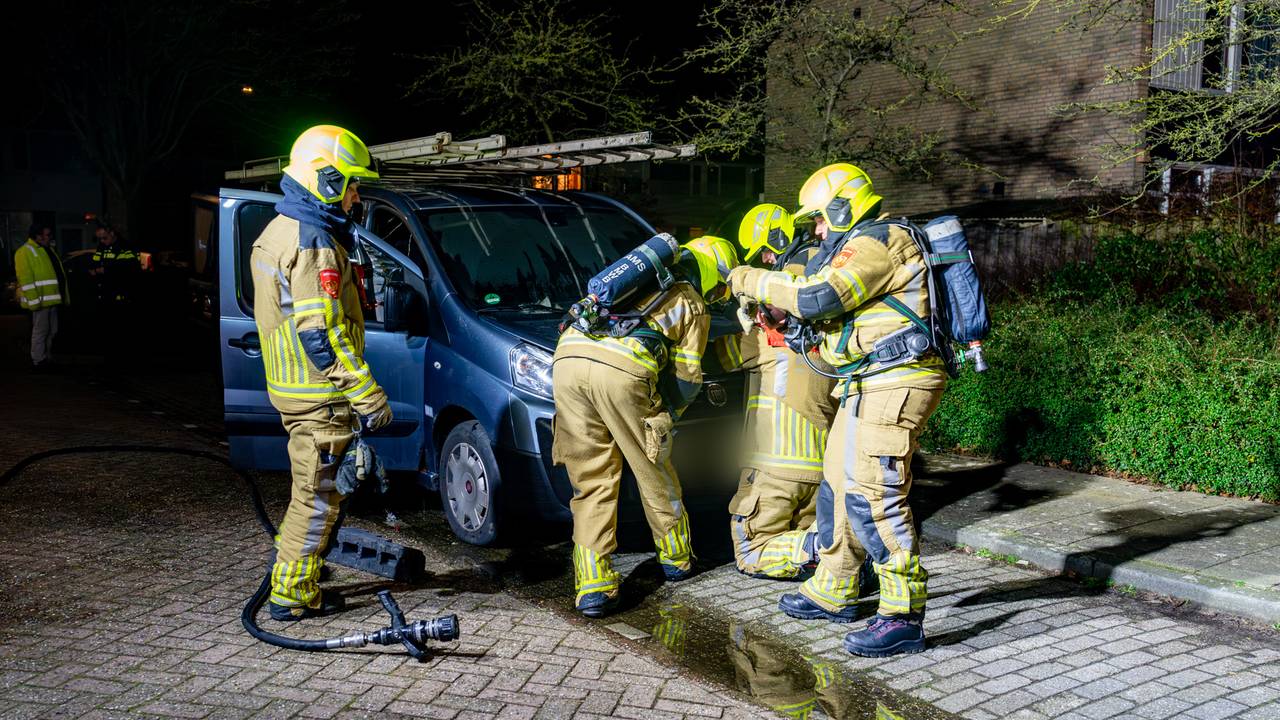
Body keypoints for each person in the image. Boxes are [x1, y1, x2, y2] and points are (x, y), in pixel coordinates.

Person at [726, 163, 947, 657]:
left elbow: (819, 295)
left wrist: (750, 279)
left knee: (875, 495)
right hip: (865, 380)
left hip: (895, 381)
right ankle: (835, 585)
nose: (818, 230)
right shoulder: (862, 242)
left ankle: (901, 613)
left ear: (843, 204)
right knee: (837, 484)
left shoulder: (877, 242)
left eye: (821, 219)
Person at [552, 235, 739, 618]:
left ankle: (593, 587)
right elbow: (688, 379)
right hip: (623, 372)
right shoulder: (691, 300)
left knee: (591, 480)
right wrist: (663, 417)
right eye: (720, 287)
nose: (718, 295)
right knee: (653, 468)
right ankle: (677, 559)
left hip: (567, 359)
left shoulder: (636, 282)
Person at [249, 124, 391, 621]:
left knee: (312, 492)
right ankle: (291, 593)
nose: (356, 196)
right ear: (325, 179)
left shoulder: (277, 229)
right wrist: (369, 395)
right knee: (316, 499)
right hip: (320, 398)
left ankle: (298, 578)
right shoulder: (314, 243)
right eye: (352, 184)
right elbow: (323, 334)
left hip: (294, 391)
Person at [720, 204, 838, 580]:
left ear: (777, 240)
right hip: (822, 465)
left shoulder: (778, 304)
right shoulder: (830, 294)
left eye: (764, 254)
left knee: (751, 548)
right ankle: (827, 551)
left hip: (775, 464)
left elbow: (727, 357)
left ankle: (821, 548)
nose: (767, 261)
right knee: (803, 535)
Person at [14, 223, 67, 370]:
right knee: (41, 331)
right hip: (41, 301)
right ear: (38, 236)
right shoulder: (24, 252)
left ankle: (46, 357)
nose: (50, 237)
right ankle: (38, 360)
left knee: (52, 330)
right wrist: (34, 302)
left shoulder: (46, 249)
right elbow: (26, 279)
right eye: (47, 234)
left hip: (51, 299)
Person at [89, 222, 139, 304]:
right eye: (99, 239)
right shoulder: (101, 247)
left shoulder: (126, 247)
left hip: (122, 293)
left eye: (104, 238)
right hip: (105, 292)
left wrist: (106, 270)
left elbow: (131, 269)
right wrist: (92, 269)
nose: (102, 241)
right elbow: (95, 262)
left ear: (112, 233)